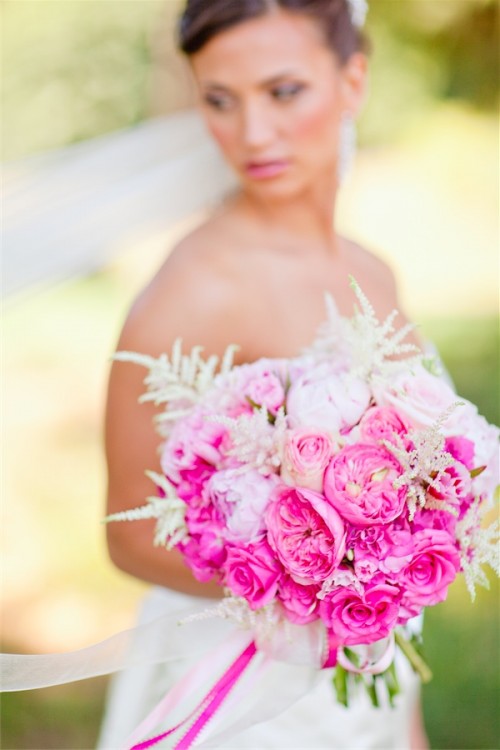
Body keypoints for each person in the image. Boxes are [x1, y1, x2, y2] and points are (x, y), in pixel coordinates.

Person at [101, 1, 429, 747]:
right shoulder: (192, 288)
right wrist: (323, 584)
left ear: (353, 81)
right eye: (220, 100)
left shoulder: (373, 273)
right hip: (245, 700)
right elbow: (126, 533)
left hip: (369, 677)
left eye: (283, 92)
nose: (252, 135)